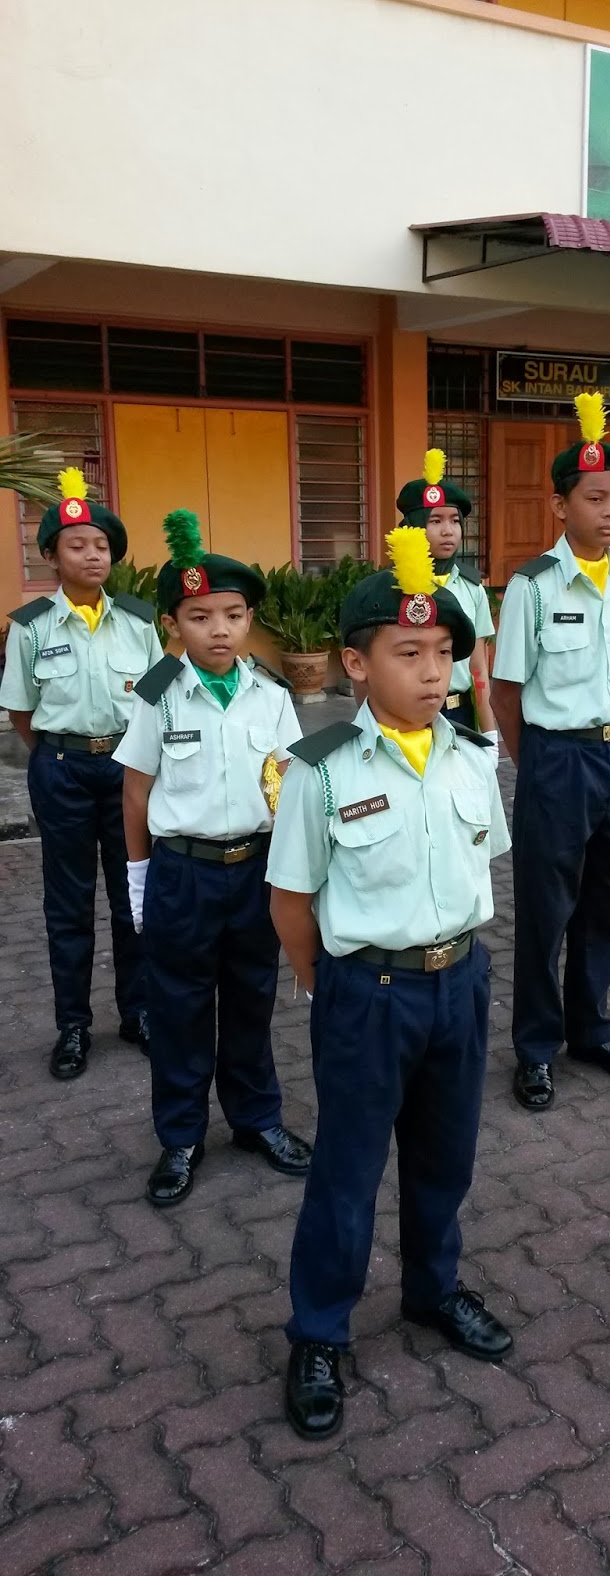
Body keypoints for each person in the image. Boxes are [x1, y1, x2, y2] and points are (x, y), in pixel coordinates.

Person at [267, 525, 513, 1441]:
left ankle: (432, 1290)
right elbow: (292, 899)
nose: (432, 672)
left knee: (446, 1155)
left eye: (445, 653)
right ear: (355, 664)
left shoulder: (471, 755)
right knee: (348, 1169)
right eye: (408, 653)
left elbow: (486, 862)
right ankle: (320, 1331)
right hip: (367, 994)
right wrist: (325, 986)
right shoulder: (321, 770)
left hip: (462, 981)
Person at [114, 510, 311, 1207]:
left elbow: (293, 784)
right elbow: (136, 795)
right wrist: (140, 880)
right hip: (184, 875)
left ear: (249, 617)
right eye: (200, 616)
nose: (219, 629)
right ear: (175, 625)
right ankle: (181, 1136)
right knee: (180, 1008)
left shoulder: (272, 691)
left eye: (232, 614)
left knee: (253, 1000)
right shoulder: (159, 696)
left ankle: (256, 1120)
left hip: (255, 870)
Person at [491, 393, 610, 1112]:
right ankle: (535, 1046)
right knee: (544, 909)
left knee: (605, 904)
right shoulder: (531, 584)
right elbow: (505, 693)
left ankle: (592, 1029)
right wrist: (539, 768)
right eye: (596, 498)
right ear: (562, 506)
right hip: (555, 760)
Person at [0, 468, 162, 1081]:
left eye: (102, 546)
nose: (93, 556)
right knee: (68, 903)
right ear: (50, 555)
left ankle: (137, 1011)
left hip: (127, 767)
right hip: (61, 767)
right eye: (78, 545)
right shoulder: (31, 626)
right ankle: (73, 1025)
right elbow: (21, 710)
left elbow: (155, 699)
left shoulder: (139, 621)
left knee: (132, 894)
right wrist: (57, 754)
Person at [396, 448, 498, 757]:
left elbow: (479, 669)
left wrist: (490, 733)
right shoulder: (390, 588)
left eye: (454, 521)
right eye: (435, 521)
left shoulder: (471, 589)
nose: (447, 531)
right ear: (413, 526)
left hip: (460, 715)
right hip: (405, 716)